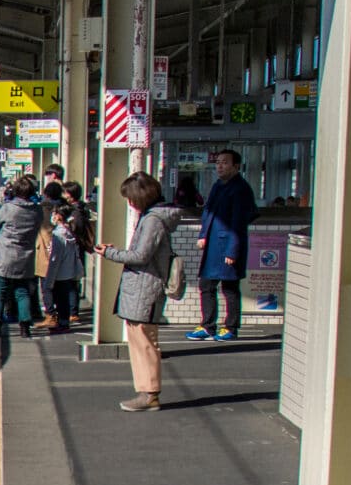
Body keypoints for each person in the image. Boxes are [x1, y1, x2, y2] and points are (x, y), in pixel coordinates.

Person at [104, 171, 177, 411]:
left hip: (146, 287)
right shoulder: (152, 218)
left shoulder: (153, 221)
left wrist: (109, 253)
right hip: (142, 288)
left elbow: (141, 255)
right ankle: (145, 392)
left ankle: (149, 394)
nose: (129, 203)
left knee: (144, 343)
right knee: (140, 341)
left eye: (130, 198)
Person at [190, 147, 256, 342]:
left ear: (236, 166)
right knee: (206, 285)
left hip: (228, 245)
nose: (220, 166)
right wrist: (203, 235)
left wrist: (232, 250)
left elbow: (238, 222)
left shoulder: (241, 189)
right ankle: (208, 325)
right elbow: (208, 212)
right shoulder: (218, 185)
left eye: (225, 162)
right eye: (218, 162)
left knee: (229, 287)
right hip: (213, 245)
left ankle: (231, 327)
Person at [0, 177, 45, 337]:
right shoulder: (37, 210)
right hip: (25, 257)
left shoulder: (8, 208)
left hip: (4, 257)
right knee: (22, 292)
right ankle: (25, 326)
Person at [43, 181, 93, 333]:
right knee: (66, 295)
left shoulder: (59, 235)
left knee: (61, 298)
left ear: (59, 216)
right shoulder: (69, 232)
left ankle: (63, 322)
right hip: (68, 270)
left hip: (60, 273)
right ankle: (65, 320)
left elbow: (54, 259)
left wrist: (49, 278)